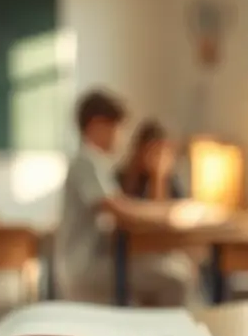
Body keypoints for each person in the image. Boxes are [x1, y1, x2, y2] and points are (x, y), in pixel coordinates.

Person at [54, 89, 203, 307]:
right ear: (97, 125)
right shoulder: (86, 162)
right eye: (115, 128)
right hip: (85, 268)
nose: (119, 136)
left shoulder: (97, 163)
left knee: (176, 265)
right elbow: (119, 209)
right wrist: (168, 214)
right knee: (176, 278)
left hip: (97, 260)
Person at [117, 119, 186, 200]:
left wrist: (159, 177)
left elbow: (167, 209)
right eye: (154, 152)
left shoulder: (172, 182)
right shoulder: (122, 179)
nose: (159, 159)